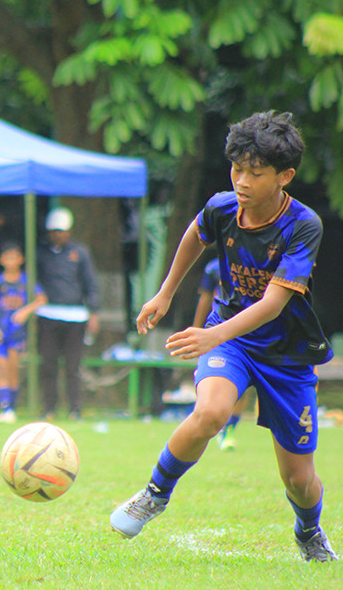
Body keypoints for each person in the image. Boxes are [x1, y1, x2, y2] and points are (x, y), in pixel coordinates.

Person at [110, 111, 337, 562]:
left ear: (284, 176)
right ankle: (155, 493)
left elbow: (273, 305)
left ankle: (309, 532)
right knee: (211, 411)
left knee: (298, 479)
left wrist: (210, 337)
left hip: (286, 352)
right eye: (237, 169)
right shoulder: (221, 207)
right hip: (230, 337)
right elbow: (195, 236)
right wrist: (164, 294)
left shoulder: (303, 224)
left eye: (256, 172)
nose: (242, 181)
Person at [34, 207, 100, 420]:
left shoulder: (80, 253)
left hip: (76, 317)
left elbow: (90, 283)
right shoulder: (41, 253)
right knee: (48, 364)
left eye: (61, 231)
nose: (57, 234)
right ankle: (49, 408)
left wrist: (94, 313)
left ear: (69, 231)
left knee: (73, 366)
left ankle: (75, 409)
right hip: (48, 315)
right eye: (54, 231)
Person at [0, 240, 47, 422]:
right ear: (1, 260)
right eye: (7, 257)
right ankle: (4, 407)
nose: (11, 261)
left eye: (14, 257)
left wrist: (25, 311)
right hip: (0, 332)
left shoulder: (27, 281)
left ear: (21, 259)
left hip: (17, 333)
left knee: (13, 368)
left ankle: (12, 407)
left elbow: (41, 299)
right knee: (1, 368)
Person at [194, 257, 250, 451]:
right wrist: (196, 328)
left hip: (247, 332)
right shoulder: (213, 267)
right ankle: (208, 424)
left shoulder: (255, 263)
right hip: (218, 333)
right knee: (211, 382)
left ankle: (228, 429)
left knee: (243, 388)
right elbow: (205, 297)